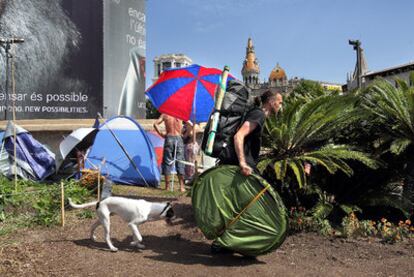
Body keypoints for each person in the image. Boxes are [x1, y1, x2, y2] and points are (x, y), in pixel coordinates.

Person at [211, 89, 283, 255]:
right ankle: (226, 243)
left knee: (239, 206)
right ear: (271, 102)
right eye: (279, 102)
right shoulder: (258, 115)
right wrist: (243, 162)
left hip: (241, 166)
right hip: (241, 168)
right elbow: (239, 136)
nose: (281, 105)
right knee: (246, 206)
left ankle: (230, 243)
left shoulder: (256, 114)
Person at [153, 114, 186, 192]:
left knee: (167, 162)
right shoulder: (181, 113)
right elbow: (190, 123)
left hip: (169, 137)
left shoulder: (165, 114)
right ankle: (182, 187)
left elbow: (155, 124)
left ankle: (167, 187)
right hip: (178, 138)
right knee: (180, 161)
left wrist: (161, 133)